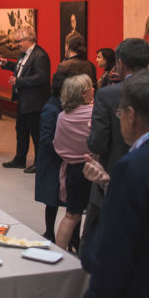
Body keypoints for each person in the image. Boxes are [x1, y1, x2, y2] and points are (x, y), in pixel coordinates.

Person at [83, 69, 149, 298]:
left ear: (131, 115)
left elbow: (114, 252)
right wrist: (109, 183)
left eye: (119, 113)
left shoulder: (133, 166)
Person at [81, 38, 149, 261]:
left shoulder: (109, 95)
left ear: (120, 63)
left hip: (111, 177)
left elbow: (97, 143)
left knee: (97, 247)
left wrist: (92, 130)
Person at [0, 26, 51, 173]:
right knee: (21, 131)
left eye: (19, 41)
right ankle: (20, 159)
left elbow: (42, 77)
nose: (16, 44)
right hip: (23, 101)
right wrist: (6, 64)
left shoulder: (40, 55)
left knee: (36, 134)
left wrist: (19, 81)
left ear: (28, 40)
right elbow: (21, 68)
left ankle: (39, 163)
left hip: (35, 103)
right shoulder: (24, 54)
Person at [52, 74, 94, 251]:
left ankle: (59, 252)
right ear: (84, 93)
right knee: (94, 215)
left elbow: (57, 144)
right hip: (94, 168)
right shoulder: (94, 113)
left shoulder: (63, 116)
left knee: (71, 215)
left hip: (73, 170)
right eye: (92, 87)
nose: (94, 89)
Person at [34, 72, 69, 243]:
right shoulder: (51, 108)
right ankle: (49, 232)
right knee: (52, 198)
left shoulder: (63, 105)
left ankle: (69, 238)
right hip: (53, 159)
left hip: (60, 157)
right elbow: (46, 139)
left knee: (61, 199)